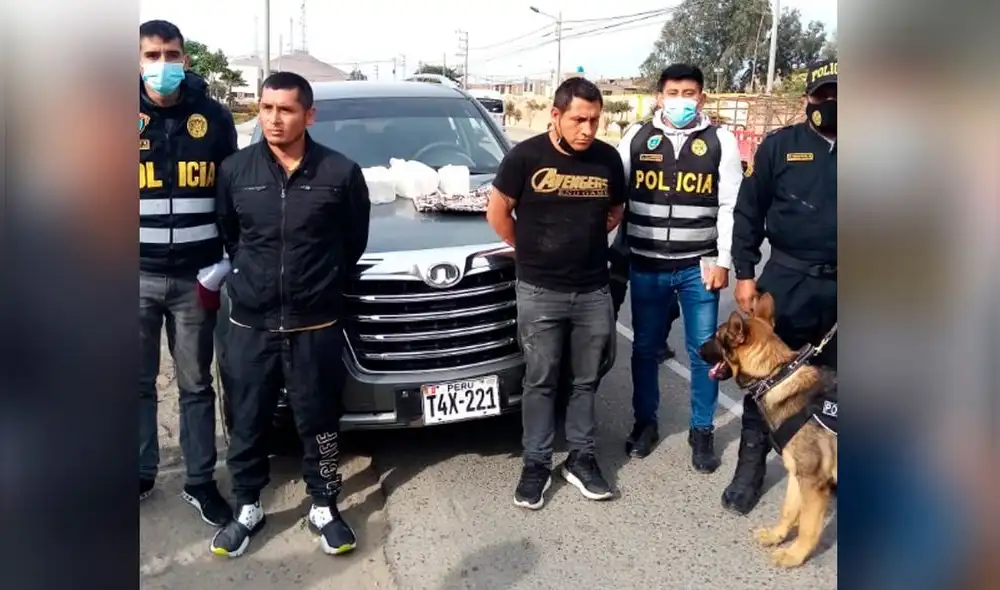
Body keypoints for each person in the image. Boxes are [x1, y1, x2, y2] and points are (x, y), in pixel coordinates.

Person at [210, 72, 371, 557]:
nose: (274, 119)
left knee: (319, 420)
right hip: (251, 324)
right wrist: (254, 282)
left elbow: (352, 243)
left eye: (286, 109)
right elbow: (231, 235)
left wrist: (319, 286)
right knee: (247, 419)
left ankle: (323, 505)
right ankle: (246, 506)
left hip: (314, 325)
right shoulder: (236, 171)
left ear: (309, 115)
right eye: (266, 108)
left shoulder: (340, 173)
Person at [486, 77, 625, 510]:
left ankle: (581, 457)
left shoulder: (607, 159)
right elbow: (498, 212)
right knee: (541, 381)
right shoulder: (525, 157)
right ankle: (536, 463)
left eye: (594, 120)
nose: (587, 129)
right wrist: (531, 252)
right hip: (540, 291)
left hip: (592, 292)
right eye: (578, 120)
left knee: (585, 380)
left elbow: (615, 210)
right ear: (556, 115)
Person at [723, 58, 838, 515]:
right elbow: (748, 211)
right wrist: (746, 272)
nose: (833, 103)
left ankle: (832, 465)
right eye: (824, 95)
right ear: (808, 98)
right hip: (787, 282)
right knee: (766, 378)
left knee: (840, 386)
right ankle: (750, 468)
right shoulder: (780, 147)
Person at [617, 64, 742, 470]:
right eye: (673, 92)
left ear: (701, 98)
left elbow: (729, 207)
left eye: (689, 93)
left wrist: (723, 261)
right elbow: (615, 198)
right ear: (659, 96)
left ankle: (701, 431)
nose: (681, 100)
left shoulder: (721, 140)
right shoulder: (636, 137)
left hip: (699, 267)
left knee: (706, 350)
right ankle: (645, 423)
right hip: (647, 264)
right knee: (644, 348)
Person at [138, 19, 238, 527]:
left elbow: (234, 193)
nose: (162, 65)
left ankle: (200, 480)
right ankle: (139, 471)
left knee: (197, 383)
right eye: (152, 55)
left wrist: (228, 261)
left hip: (197, 278)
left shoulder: (214, 118)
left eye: (171, 55)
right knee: (134, 381)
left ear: (186, 60)